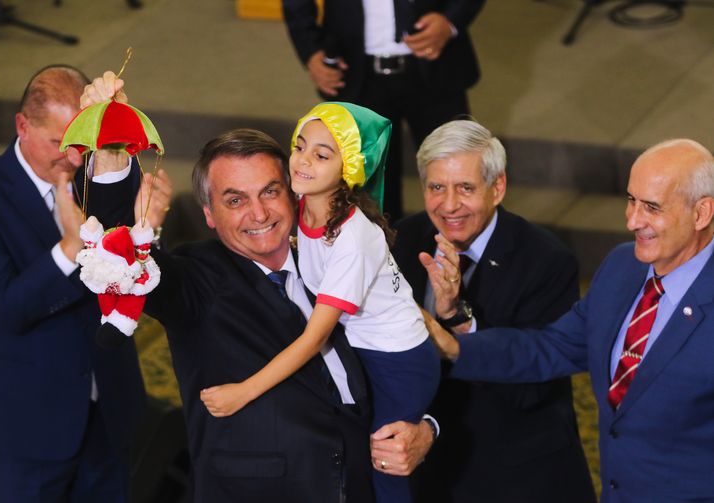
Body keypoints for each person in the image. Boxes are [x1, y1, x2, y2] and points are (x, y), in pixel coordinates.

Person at [429, 138, 714, 502]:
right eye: (630, 200)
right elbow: (554, 346)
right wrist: (455, 346)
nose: (632, 220)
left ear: (701, 213)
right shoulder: (622, 266)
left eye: (651, 207)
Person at [200, 102, 440, 503]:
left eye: (322, 155)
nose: (302, 161)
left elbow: (315, 339)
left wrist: (243, 392)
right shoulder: (303, 204)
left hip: (400, 362)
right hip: (367, 350)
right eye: (300, 146)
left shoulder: (353, 239)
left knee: (386, 465)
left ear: (349, 169)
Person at [0, 66, 148, 502]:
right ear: (22, 126)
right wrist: (69, 247)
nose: (73, 159)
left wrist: (111, 135)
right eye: (57, 144)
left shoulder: (95, 166)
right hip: (25, 424)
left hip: (108, 410)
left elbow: (129, 240)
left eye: (80, 144)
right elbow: (8, 307)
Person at [393, 120, 596, 502]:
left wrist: (458, 319)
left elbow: (533, 389)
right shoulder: (402, 242)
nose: (449, 205)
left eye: (465, 188)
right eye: (436, 187)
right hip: (428, 475)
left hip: (516, 476)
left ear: (497, 187)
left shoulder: (546, 261)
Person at [282, 0, 485, 221]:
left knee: (458, 172)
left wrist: (451, 20)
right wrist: (311, 49)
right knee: (371, 193)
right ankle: (383, 251)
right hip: (355, 70)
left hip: (437, 63)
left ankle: (467, 252)